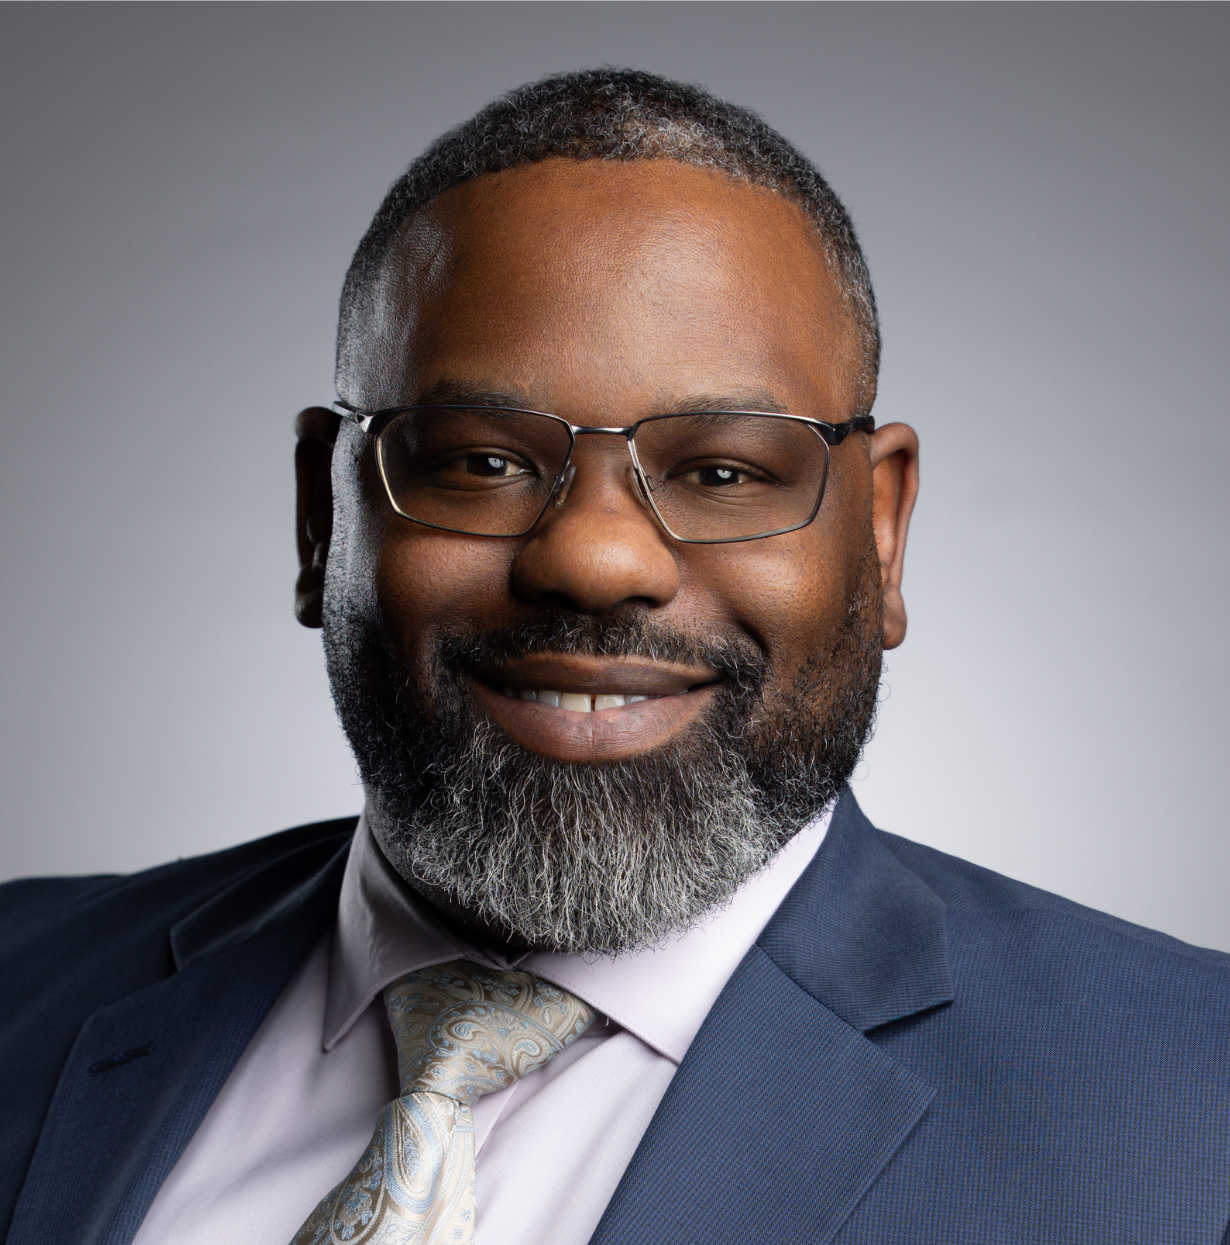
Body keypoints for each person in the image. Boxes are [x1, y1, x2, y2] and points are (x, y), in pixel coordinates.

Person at [2, 67, 1229, 1245]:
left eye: (724, 471)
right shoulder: (24, 984)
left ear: (884, 530)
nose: (594, 561)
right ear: (324, 519)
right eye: (480, 461)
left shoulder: (1194, 1118)